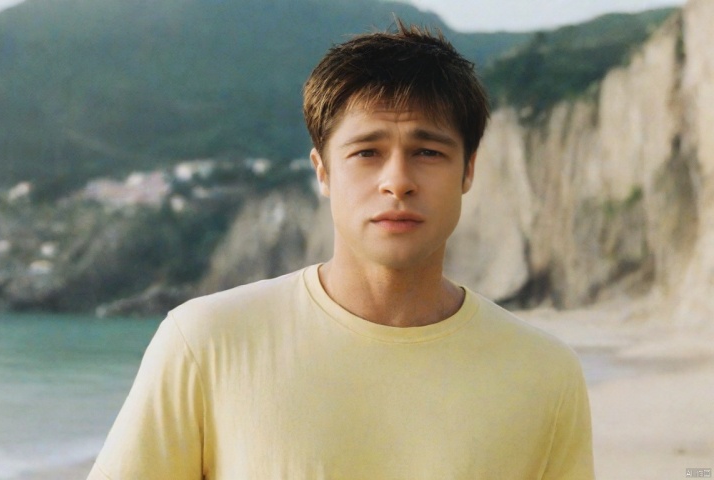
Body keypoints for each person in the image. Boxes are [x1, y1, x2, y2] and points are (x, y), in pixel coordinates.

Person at [88, 21, 594, 480]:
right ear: (323, 171)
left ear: (468, 171)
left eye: (428, 152)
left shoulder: (545, 373)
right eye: (367, 152)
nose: (397, 181)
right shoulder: (205, 343)